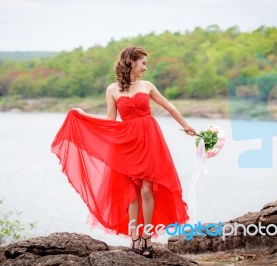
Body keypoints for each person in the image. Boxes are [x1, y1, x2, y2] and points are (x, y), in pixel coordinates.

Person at [51, 46, 196, 258]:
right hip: (126, 142)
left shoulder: (147, 86)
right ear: (131, 63)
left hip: (149, 139)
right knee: (130, 192)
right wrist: (85, 115)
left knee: (148, 189)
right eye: (143, 63)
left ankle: (147, 237)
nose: (145, 67)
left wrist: (186, 126)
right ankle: (134, 238)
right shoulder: (112, 89)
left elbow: (169, 107)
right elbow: (111, 121)